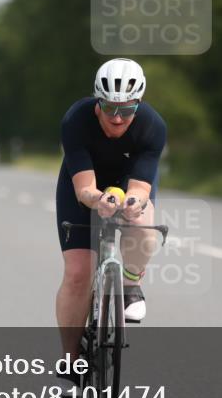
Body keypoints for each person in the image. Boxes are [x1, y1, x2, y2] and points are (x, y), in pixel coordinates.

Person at [55, 58, 166, 375]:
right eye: (109, 108)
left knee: (143, 226)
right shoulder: (76, 120)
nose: (117, 117)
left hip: (130, 183)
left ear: (138, 104)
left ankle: (131, 285)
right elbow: (84, 189)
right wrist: (98, 200)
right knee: (78, 273)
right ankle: (71, 361)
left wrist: (133, 203)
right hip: (85, 186)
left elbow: (141, 189)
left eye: (127, 109)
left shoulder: (152, 126)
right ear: (97, 103)